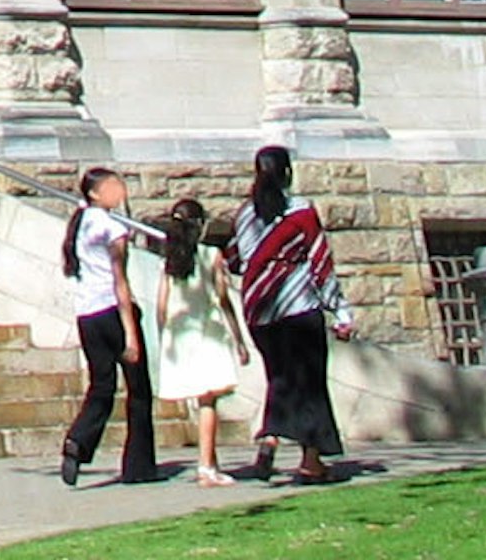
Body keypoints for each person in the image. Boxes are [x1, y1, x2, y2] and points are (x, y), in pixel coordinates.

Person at [225, 143, 344, 484]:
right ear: (288, 173)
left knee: (279, 376)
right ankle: (311, 460)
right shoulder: (301, 210)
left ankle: (268, 442)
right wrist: (339, 309)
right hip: (297, 305)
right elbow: (320, 260)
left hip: (259, 307)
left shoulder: (245, 214)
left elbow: (234, 258)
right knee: (310, 380)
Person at [59, 164, 165, 487]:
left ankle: (79, 439)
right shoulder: (111, 228)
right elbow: (120, 282)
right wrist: (131, 333)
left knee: (101, 385)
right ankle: (139, 465)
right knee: (139, 390)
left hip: (87, 314)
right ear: (94, 193)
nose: (120, 191)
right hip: (112, 311)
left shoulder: (80, 225)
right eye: (113, 186)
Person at [147, 197, 252, 484]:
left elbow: (161, 305)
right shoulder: (210, 255)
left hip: (179, 334)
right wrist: (239, 338)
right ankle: (206, 466)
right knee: (209, 400)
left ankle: (211, 461)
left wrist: (163, 336)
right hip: (207, 331)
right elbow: (222, 297)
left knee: (202, 398)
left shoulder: (169, 262)